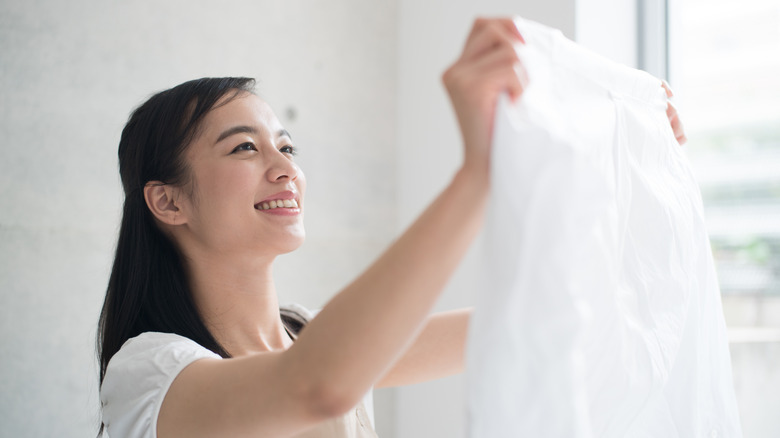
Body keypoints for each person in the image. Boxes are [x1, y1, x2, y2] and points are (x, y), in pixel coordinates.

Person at [97, 17, 686, 438]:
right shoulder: (149, 372)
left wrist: (625, 152)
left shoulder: (317, 336)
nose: (285, 169)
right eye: (245, 148)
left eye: (287, 145)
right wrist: (479, 174)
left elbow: (550, 320)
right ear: (168, 202)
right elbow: (317, 386)